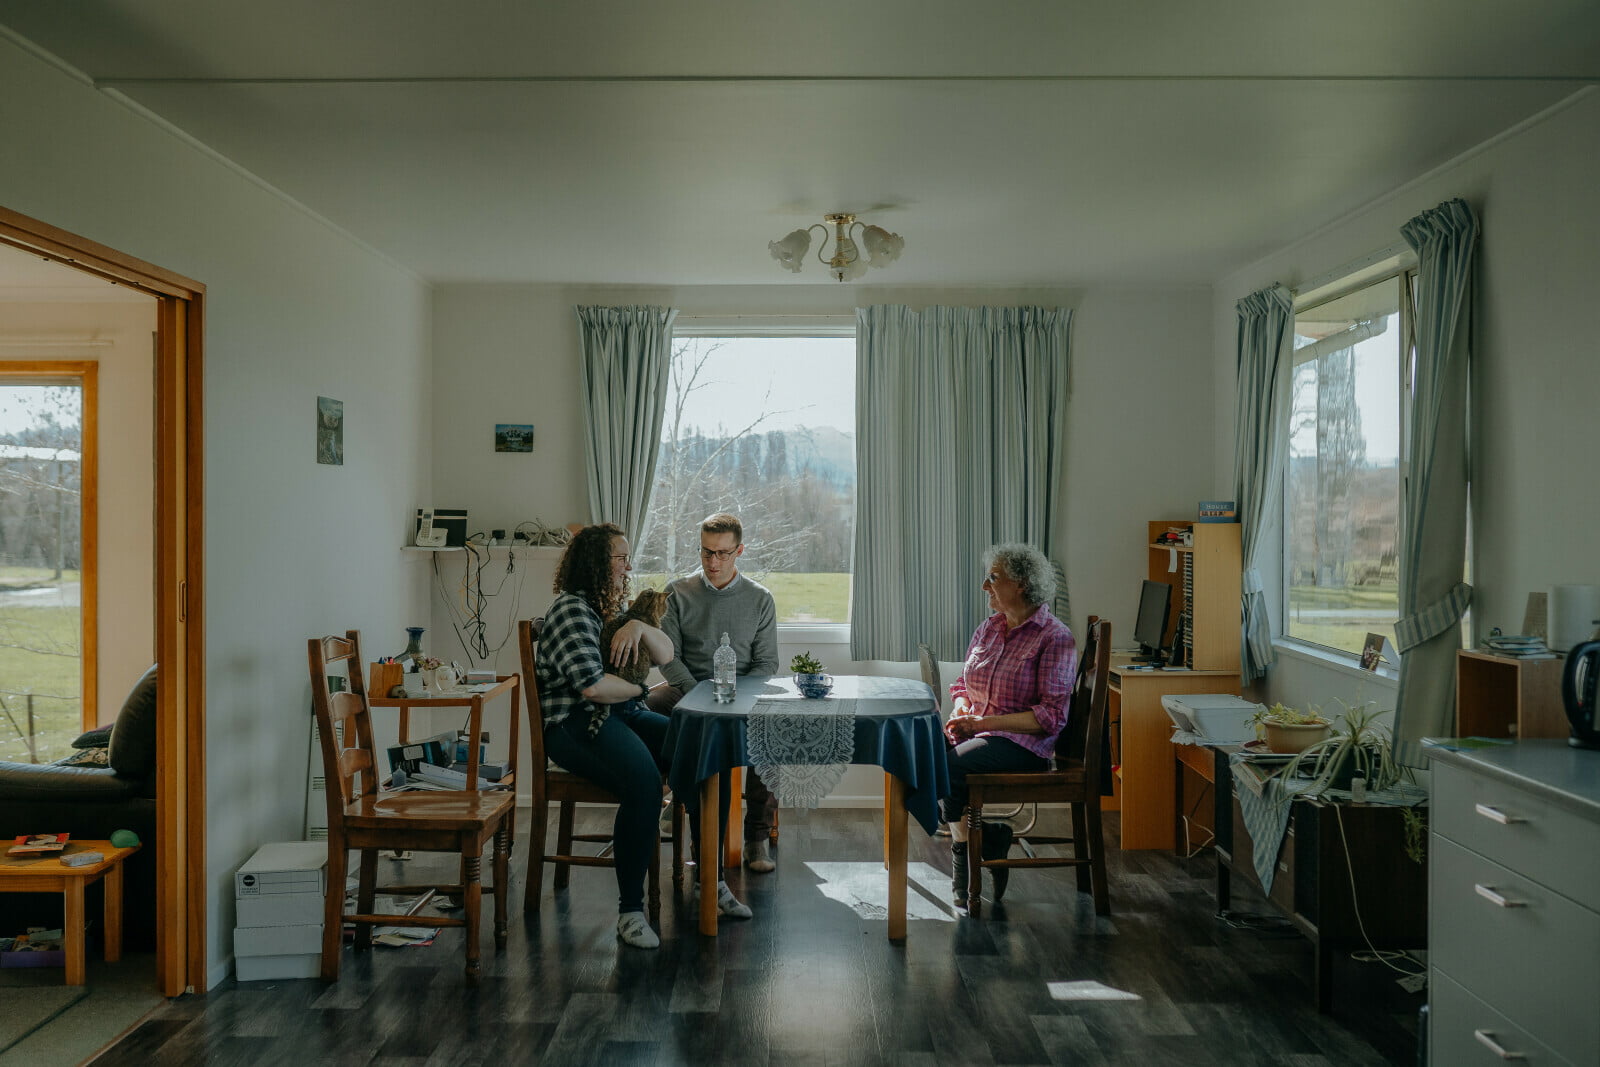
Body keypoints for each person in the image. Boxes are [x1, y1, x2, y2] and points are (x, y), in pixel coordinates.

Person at [535, 522, 679, 949]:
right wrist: (639, 690)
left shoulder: (606, 610)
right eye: (620, 557)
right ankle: (630, 912)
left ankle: (712, 882)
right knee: (643, 785)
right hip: (575, 724)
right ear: (598, 563)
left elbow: (667, 655)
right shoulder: (572, 611)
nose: (628, 566)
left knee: (693, 747)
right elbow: (592, 686)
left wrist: (637, 627)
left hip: (618, 714)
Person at [648, 512, 781, 882]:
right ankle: (668, 796)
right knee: (644, 708)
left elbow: (767, 663)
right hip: (687, 687)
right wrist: (697, 693)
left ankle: (756, 836)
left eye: (722, 553)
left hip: (743, 691)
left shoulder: (759, 598)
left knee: (769, 726)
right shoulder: (677, 592)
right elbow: (668, 657)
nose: (713, 562)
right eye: (707, 553)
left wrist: (736, 698)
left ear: (739, 551)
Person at [941, 543, 1076, 907]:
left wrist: (980, 722)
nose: (985, 586)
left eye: (994, 578)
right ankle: (984, 839)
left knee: (948, 766)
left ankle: (962, 853)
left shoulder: (1055, 637)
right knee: (923, 752)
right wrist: (961, 709)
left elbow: (1050, 717)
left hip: (1024, 746)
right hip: (980, 733)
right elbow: (961, 685)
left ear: (1022, 584)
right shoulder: (989, 628)